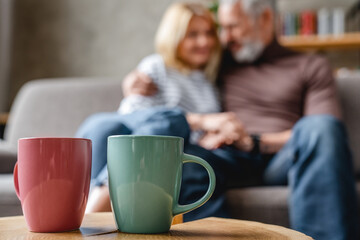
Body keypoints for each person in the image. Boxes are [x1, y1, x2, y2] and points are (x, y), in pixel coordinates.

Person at [121, 0, 359, 239]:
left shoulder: (310, 65)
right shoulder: (220, 60)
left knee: (322, 128)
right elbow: (176, 63)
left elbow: (323, 130)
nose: (225, 37)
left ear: (265, 19)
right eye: (222, 28)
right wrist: (134, 80)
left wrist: (254, 142)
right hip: (228, 156)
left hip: (283, 158)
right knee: (189, 160)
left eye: (233, 26)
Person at [76, 2, 223, 213]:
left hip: (166, 151)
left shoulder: (208, 81)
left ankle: (94, 211)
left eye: (209, 33)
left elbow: (200, 135)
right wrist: (194, 121)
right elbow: (133, 117)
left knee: (168, 128)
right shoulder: (157, 66)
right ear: (175, 37)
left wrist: (207, 134)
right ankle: (98, 203)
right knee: (161, 123)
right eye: (193, 34)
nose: (204, 41)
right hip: (133, 141)